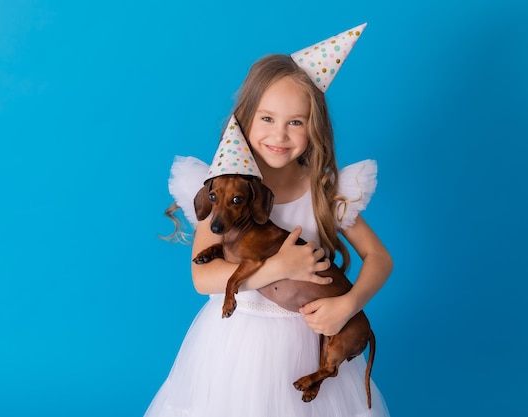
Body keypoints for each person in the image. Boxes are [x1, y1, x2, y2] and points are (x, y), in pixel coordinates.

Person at [145, 23, 393, 417]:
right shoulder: (224, 190)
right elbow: (202, 277)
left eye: (296, 121)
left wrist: (347, 306)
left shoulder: (324, 192)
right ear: (245, 118)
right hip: (234, 342)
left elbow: (380, 258)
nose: (280, 134)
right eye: (267, 118)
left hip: (306, 340)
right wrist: (276, 267)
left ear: (314, 128)